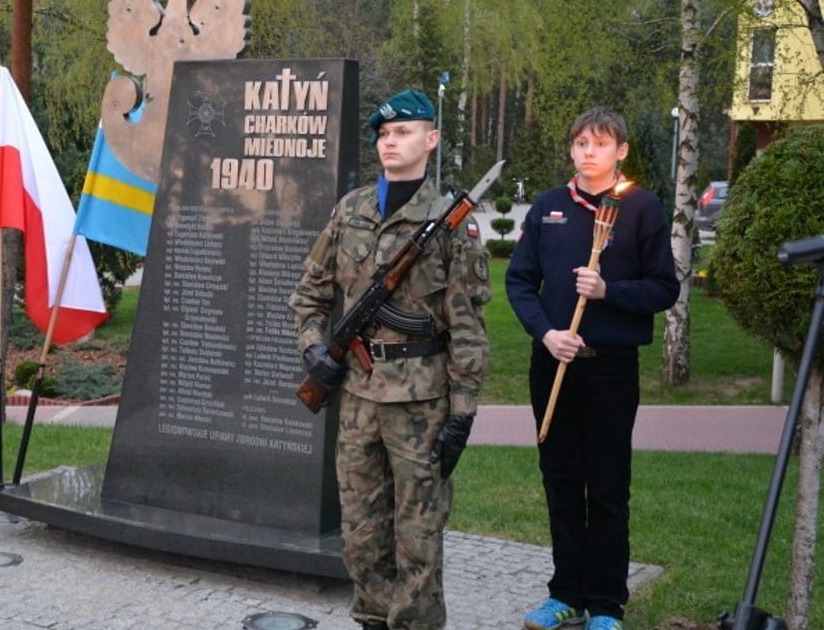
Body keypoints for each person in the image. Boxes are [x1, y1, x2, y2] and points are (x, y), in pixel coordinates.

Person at [288, 88, 492, 630]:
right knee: (359, 532)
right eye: (382, 134)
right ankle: (373, 620)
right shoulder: (350, 210)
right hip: (356, 397)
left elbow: (468, 327)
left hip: (421, 404)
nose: (389, 142)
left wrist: (463, 411)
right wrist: (316, 352)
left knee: (419, 537)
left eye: (402, 132)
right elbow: (309, 295)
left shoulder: (450, 224)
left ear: (431, 139)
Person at [506, 106, 678, 630]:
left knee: (605, 486)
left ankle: (605, 603)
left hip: (610, 370)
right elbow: (519, 282)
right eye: (580, 143)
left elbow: (664, 288)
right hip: (554, 363)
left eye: (600, 144)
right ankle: (566, 594)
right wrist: (547, 332)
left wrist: (608, 291)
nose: (588, 152)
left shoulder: (642, 209)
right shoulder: (549, 207)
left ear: (620, 151)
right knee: (560, 481)